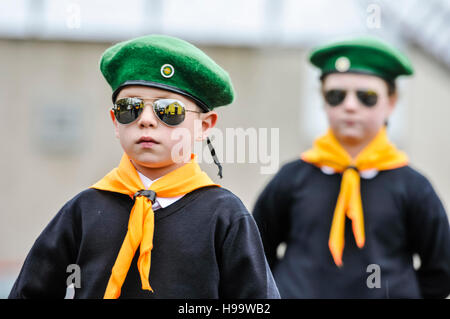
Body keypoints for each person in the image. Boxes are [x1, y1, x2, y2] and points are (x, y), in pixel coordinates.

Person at [9, 34, 280, 299]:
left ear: (204, 126)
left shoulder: (225, 216)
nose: (146, 120)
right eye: (130, 107)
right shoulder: (84, 210)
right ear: (116, 122)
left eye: (169, 110)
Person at [253, 36, 450, 298]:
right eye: (336, 95)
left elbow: (441, 270)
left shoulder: (414, 187)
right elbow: (255, 253)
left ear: (391, 102)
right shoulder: (291, 177)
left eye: (366, 97)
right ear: (322, 100)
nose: (349, 105)